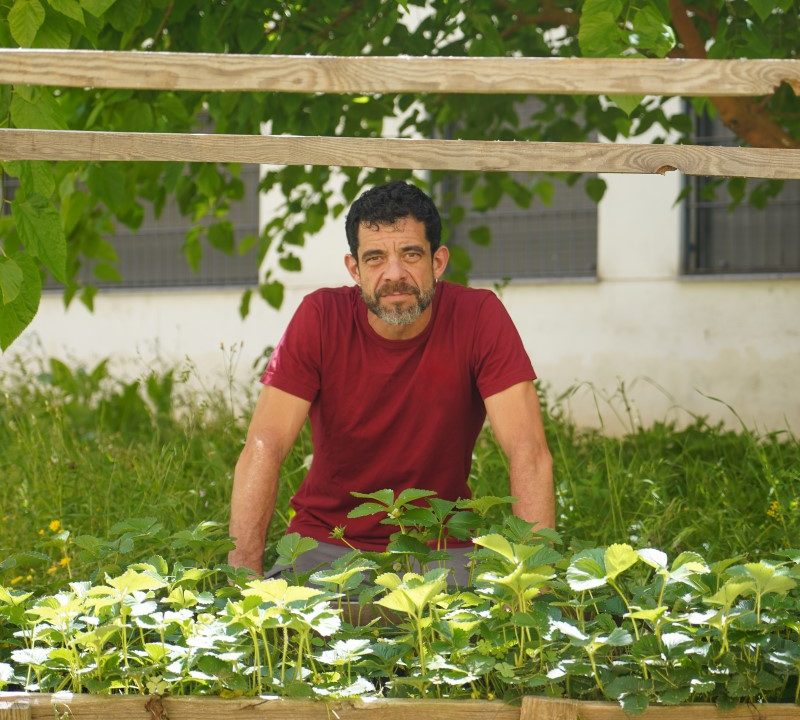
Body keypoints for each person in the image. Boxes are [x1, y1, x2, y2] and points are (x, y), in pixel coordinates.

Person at [227, 180, 554, 584]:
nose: (394, 274)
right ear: (355, 269)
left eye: (411, 254)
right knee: (288, 630)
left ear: (438, 262)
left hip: (440, 543)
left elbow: (528, 450)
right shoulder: (320, 317)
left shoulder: (479, 316)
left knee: (472, 629)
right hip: (328, 542)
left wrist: (534, 584)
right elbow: (265, 444)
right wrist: (242, 583)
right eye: (376, 257)